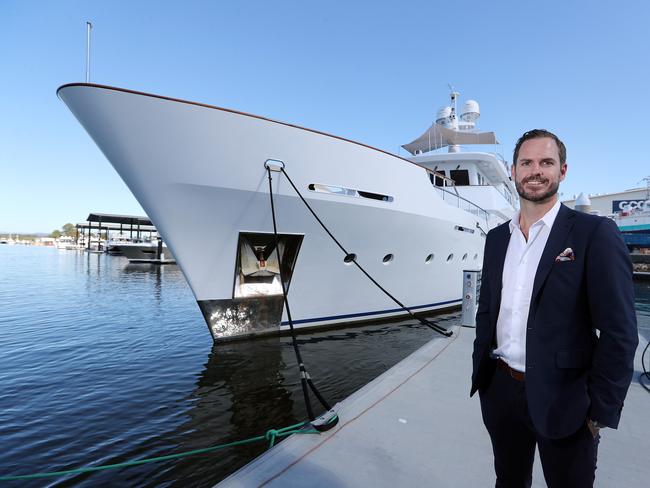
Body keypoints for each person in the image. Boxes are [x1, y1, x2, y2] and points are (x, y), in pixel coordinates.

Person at [470, 129, 638, 487]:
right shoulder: (497, 238)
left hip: (567, 399)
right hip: (501, 390)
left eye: (546, 162)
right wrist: (483, 376)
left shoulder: (595, 234)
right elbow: (487, 310)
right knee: (509, 480)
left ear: (562, 171)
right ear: (513, 171)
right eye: (526, 162)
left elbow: (619, 331)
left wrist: (599, 411)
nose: (536, 171)